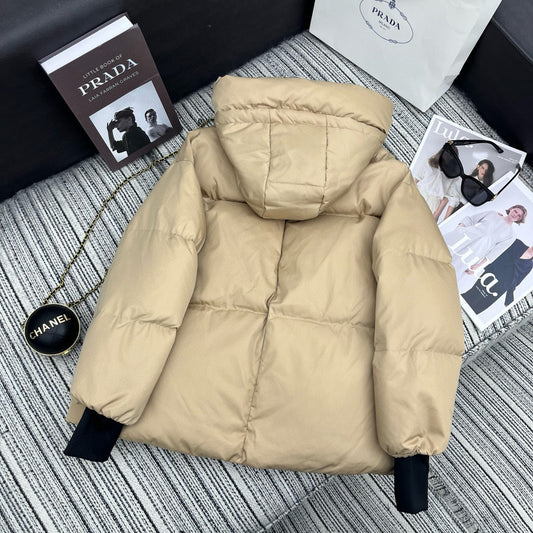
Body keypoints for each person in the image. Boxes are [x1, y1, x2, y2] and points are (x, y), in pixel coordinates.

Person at [443, 204, 527, 293]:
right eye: (515, 211)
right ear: (511, 209)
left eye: (519, 216)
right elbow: (471, 219)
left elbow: (496, 252)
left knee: (454, 269)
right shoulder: (493, 214)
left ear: (520, 219)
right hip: (463, 238)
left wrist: (478, 266)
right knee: (443, 254)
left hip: (476, 251)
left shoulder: (511, 235)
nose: (515, 215)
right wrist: (460, 228)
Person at [462, 238, 533, 313]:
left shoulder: (529, 266)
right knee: (469, 296)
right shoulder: (517, 243)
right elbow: (494, 254)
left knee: (477, 307)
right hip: (489, 275)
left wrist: (509, 298)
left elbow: (517, 282)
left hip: (499, 288)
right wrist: (478, 266)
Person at [414, 146, 450, 218]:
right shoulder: (428, 163)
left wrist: (436, 216)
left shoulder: (451, 174)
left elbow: (446, 198)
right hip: (419, 193)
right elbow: (416, 180)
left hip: (434, 202)